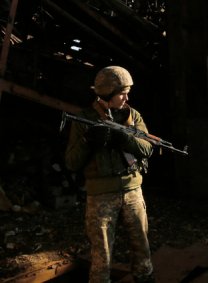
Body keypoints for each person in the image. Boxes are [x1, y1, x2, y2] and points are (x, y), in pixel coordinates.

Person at [65, 66, 155, 283]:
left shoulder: (132, 116)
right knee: (101, 256)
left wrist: (125, 138)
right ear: (107, 93)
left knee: (142, 249)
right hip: (101, 197)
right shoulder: (85, 119)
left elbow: (148, 148)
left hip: (132, 192)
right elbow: (71, 163)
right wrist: (88, 141)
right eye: (122, 93)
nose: (127, 98)